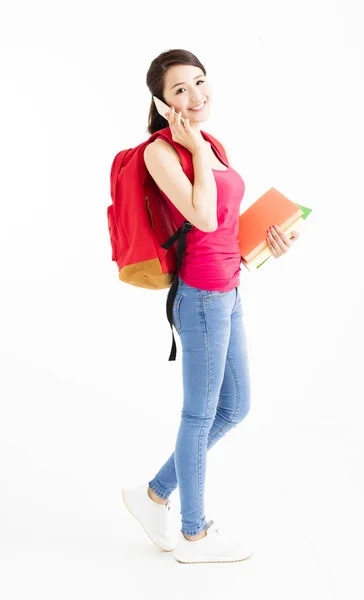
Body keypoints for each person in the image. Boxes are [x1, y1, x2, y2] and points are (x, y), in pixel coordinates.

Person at [122, 48, 253, 564]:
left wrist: (263, 243)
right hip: (200, 297)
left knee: (235, 407)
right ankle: (194, 535)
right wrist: (194, 150)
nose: (196, 96)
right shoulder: (161, 152)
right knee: (200, 415)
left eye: (200, 82)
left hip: (230, 287)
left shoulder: (213, 143)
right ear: (161, 101)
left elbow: (222, 224)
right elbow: (200, 216)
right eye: (180, 90)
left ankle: (153, 494)